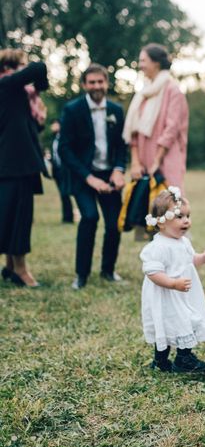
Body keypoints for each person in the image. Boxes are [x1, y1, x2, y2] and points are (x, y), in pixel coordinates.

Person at [58, 63, 127, 289]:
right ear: (84, 85)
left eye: (100, 81)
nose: (97, 86)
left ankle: (108, 270)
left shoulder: (116, 110)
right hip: (83, 176)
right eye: (92, 82)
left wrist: (119, 169)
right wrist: (89, 178)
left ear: (106, 83)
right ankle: (81, 274)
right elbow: (64, 149)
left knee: (114, 222)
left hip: (110, 175)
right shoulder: (72, 110)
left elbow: (121, 146)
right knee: (89, 218)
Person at [141, 187, 205, 373]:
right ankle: (162, 361)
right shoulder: (158, 247)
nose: (186, 221)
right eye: (179, 216)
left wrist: (203, 258)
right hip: (166, 296)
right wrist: (172, 283)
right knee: (166, 325)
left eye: (188, 216)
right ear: (161, 223)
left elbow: (189, 261)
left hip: (182, 295)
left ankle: (183, 356)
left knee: (186, 321)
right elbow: (152, 272)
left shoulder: (183, 242)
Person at [0, 49, 48, 287]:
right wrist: (39, 85)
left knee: (11, 216)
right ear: (10, 67)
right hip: (14, 164)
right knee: (18, 217)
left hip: (17, 164)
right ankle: (21, 270)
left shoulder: (14, 93)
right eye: (22, 65)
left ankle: (10, 266)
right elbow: (39, 68)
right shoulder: (8, 84)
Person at [124, 43, 189, 192]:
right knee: (144, 210)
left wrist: (156, 161)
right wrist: (135, 162)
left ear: (156, 63)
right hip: (142, 161)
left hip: (166, 159)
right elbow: (133, 130)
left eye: (143, 61)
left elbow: (171, 129)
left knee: (172, 207)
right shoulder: (143, 93)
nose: (140, 65)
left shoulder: (173, 91)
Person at [50, 119, 74, 224]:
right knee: (62, 194)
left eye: (55, 124)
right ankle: (66, 217)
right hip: (57, 170)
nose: (53, 127)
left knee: (65, 194)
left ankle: (68, 217)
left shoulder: (65, 137)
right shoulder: (54, 139)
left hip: (65, 170)